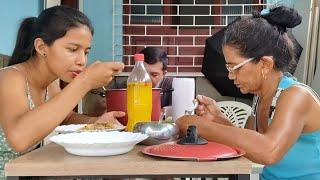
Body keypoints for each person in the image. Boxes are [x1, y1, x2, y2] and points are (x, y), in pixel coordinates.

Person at [176, 6, 320, 180]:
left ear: (265, 64)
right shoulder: (261, 96)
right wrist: (217, 119)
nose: (230, 75)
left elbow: (269, 151)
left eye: (234, 67)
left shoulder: (296, 96)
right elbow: (249, 145)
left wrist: (201, 126)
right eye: (228, 67)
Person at [0, 6, 125, 177]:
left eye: (86, 52)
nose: (82, 61)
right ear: (41, 47)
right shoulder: (9, 78)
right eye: (73, 49)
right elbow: (19, 139)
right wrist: (84, 81)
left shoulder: (51, 82)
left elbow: (64, 118)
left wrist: (97, 122)